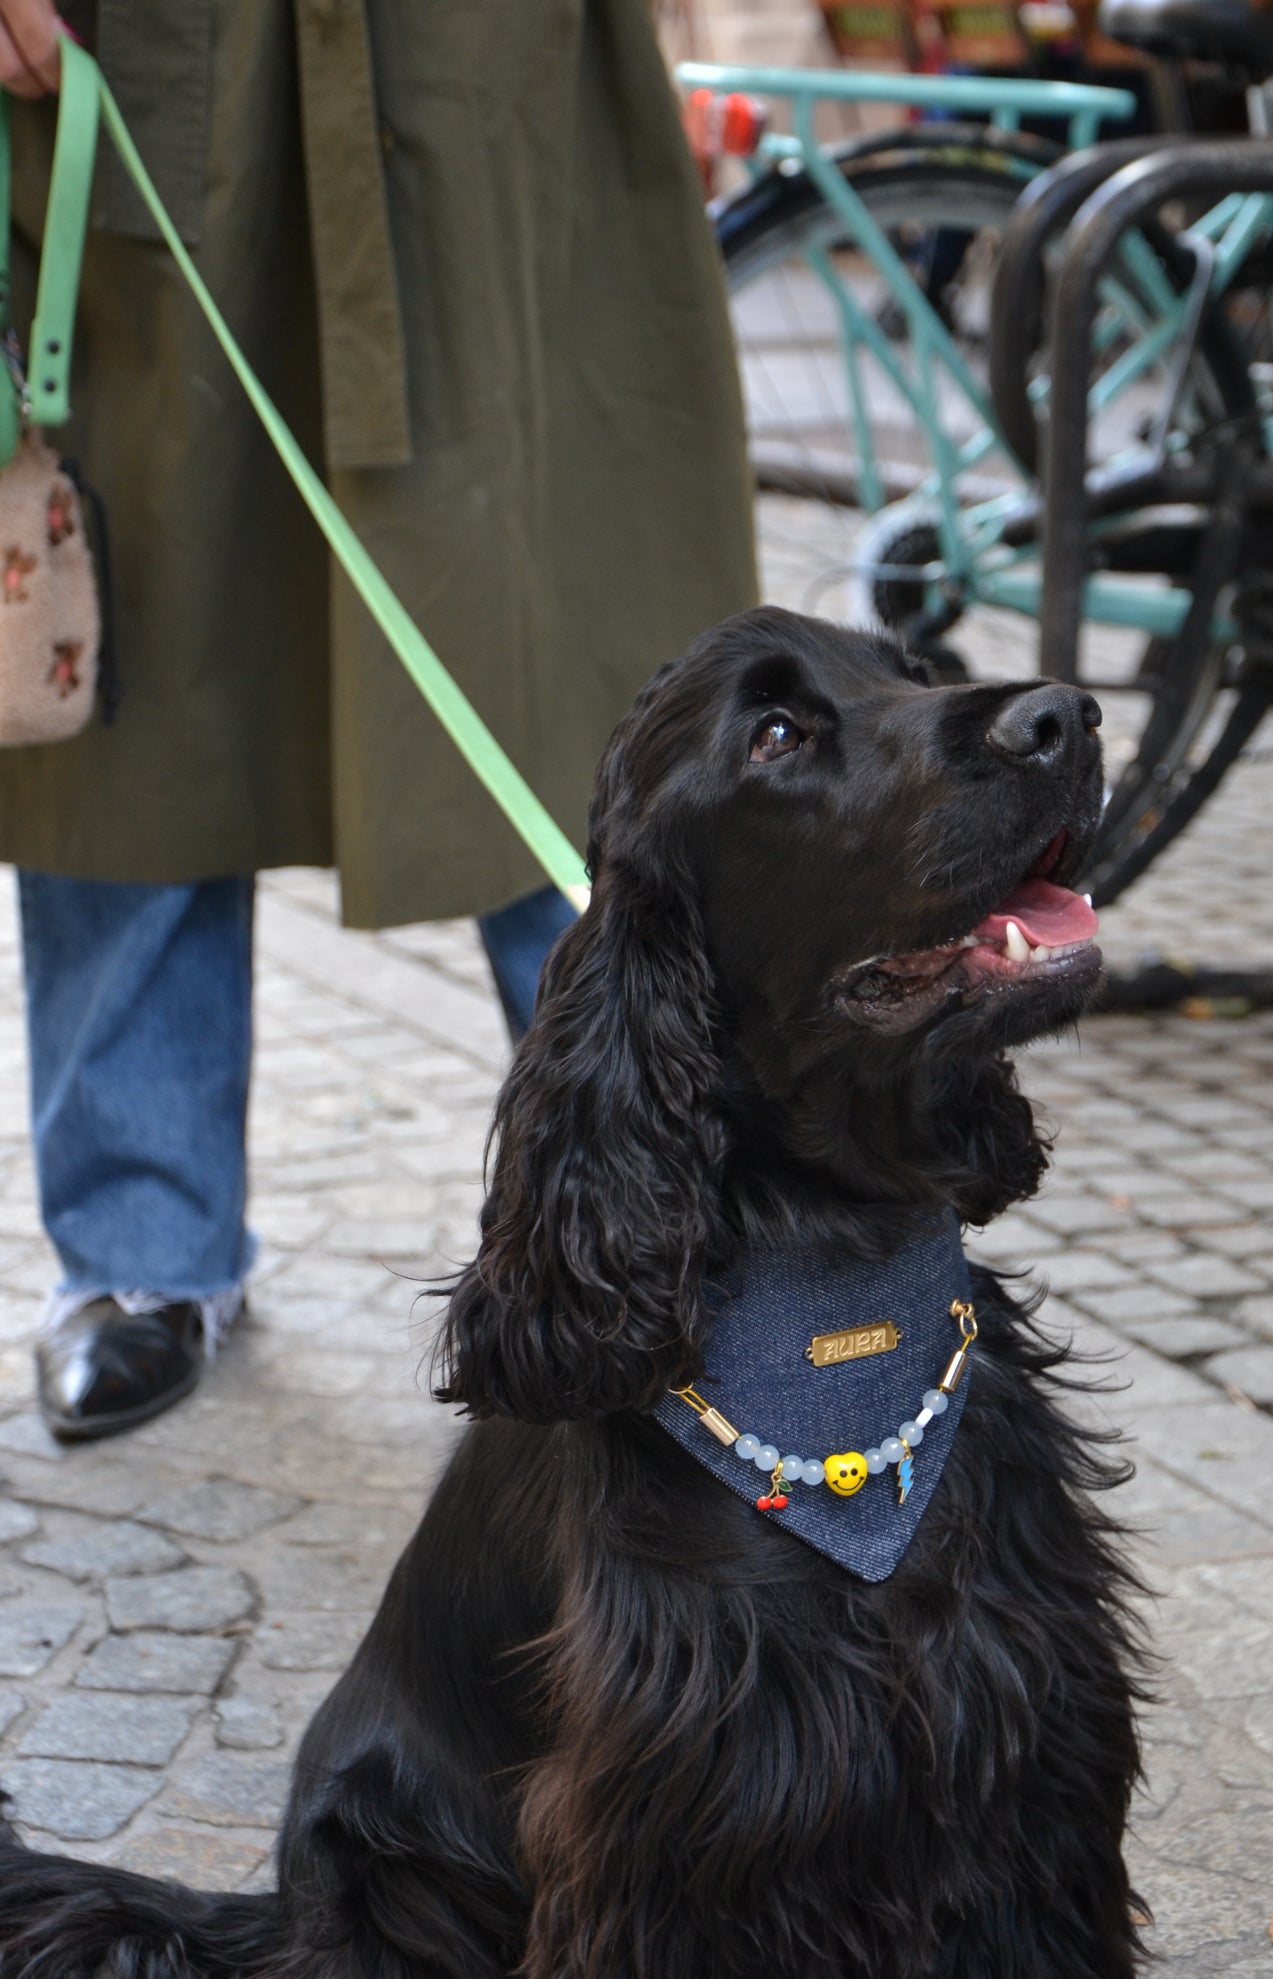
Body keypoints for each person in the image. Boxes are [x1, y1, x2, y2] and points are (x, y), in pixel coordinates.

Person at [0, 0, 757, 1443]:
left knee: (558, 633)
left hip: (491, 67)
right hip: (147, 48)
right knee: (144, 632)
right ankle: (142, 1252)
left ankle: (671, 1220)